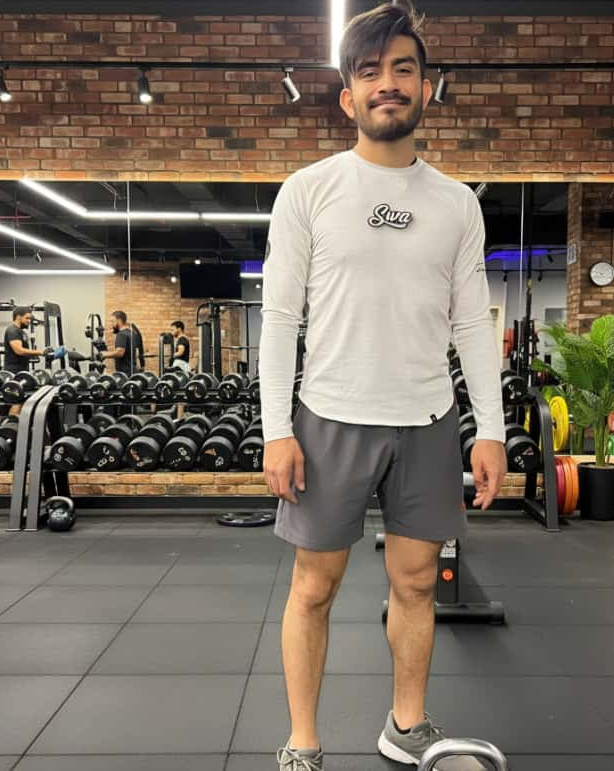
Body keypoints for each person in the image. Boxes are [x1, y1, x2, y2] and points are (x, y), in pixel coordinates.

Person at [259, 4, 507, 770]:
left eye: (403, 69)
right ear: (347, 97)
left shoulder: (457, 203)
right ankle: (302, 738)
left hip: (428, 420)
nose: (387, 84)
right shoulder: (308, 190)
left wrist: (489, 428)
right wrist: (275, 427)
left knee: (415, 585)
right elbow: (278, 319)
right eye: (369, 73)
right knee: (312, 586)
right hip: (328, 416)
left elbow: (471, 325)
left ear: (427, 88)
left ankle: (406, 724)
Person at [3, 306, 64, 415]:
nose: (29, 321)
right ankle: (11, 428)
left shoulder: (20, 332)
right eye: (27, 318)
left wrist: (48, 353)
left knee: (20, 401)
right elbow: (19, 351)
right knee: (17, 401)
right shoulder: (12, 330)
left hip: (21, 372)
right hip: (14, 372)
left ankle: (16, 427)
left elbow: (24, 352)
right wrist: (41, 352)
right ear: (18, 317)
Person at [100, 310, 138, 376]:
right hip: (133, 372)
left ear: (119, 321)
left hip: (125, 374)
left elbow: (120, 353)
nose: (112, 324)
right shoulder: (132, 333)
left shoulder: (121, 334)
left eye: (113, 321)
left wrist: (104, 354)